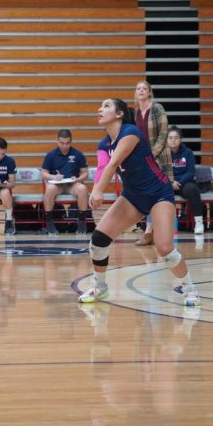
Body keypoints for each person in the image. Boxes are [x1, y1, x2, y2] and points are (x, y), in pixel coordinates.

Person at [81, 98, 200, 306]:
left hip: (159, 193)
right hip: (133, 196)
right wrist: (95, 190)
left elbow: (113, 163)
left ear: (119, 113)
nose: (100, 109)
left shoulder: (131, 133)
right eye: (100, 106)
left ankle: (190, 289)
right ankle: (100, 287)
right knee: (98, 241)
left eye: (106, 106)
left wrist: (99, 191)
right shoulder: (103, 144)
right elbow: (102, 168)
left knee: (164, 248)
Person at [131, 80, 171, 246]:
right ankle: (149, 231)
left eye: (144, 88)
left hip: (158, 157)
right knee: (146, 193)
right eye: (138, 88)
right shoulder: (134, 113)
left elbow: (163, 133)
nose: (141, 90)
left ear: (149, 92)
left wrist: (152, 153)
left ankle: (150, 232)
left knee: (156, 194)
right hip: (141, 159)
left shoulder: (157, 108)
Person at [41, 129, 90, 236]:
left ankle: (81, 223)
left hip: (72, 184)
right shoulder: (50, 155)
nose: (65, 146)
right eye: (62, 143)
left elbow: (85, 173)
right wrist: (53, 176)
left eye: (67, 143)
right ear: (57, 141)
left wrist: (78, 179)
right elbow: (44, 173)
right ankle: (49, 222)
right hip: (57, 185)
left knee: (82, 189)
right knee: (49, 189)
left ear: (71, 141)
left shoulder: (78, 154)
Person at [166, 126, 205, 234]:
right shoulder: (163, 154)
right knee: (156, 192)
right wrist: (171, 182)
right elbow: (160, 171)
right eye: (170, 138)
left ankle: (199, 223)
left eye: (176, 137)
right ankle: (159, 224)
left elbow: (190, 172)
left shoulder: (187, 152)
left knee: (192, 190)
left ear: (180, 139)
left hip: (183, 183)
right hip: (168, 183)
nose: (173, 140)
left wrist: (179, 182)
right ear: (167, 140)